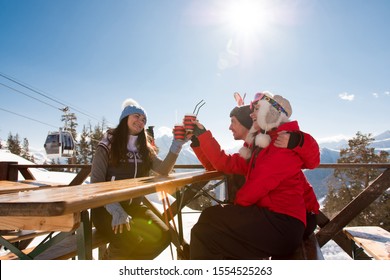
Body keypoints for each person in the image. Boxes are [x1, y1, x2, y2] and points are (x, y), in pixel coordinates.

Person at [189, 92, 320, 259]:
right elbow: (224, 163)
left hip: (284, 224)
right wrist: (201, 136)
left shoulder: (281, 143)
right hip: (278, 219)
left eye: (257, 109)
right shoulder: (262, 146)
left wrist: (234, 209)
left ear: (270, 114)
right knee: (210, 222)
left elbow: (257, 185)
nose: (252, 115)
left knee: (207, 231)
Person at [90, 98, 186, 260]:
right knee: (128, 239)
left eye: (143, 120)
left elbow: (162, 170)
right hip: (106, 209)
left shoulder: (144, 148)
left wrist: (176, 146)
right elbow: (96, 184)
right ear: (124, 118)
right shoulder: (107, 145)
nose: (140, 121)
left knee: (163, 236)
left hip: (134, 207)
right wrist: (115, 209)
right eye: (136, 116)